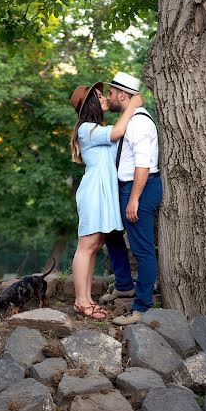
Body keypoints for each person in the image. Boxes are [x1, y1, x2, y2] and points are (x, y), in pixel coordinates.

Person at [70, 81, 143, 319]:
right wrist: (133, 103)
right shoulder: (87, 129)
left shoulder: (97, 127)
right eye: (99, 96)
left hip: (104, 192)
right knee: (86, 246)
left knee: (94, 245)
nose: (104, 99)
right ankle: (81, 301)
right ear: (91, 103)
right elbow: (117, 132)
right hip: (93, 191)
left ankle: (87, 299)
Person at [101, 72, 162, 325]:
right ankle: (125, 284)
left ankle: (142, 308)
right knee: (111, 233)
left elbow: (143, 164)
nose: (108, 97)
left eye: (111, 93)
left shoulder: (139, 123)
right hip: (125, 187)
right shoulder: (129, 120)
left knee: (142, 248)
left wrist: (134, 198)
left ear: (122, 95)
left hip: (141, 188)